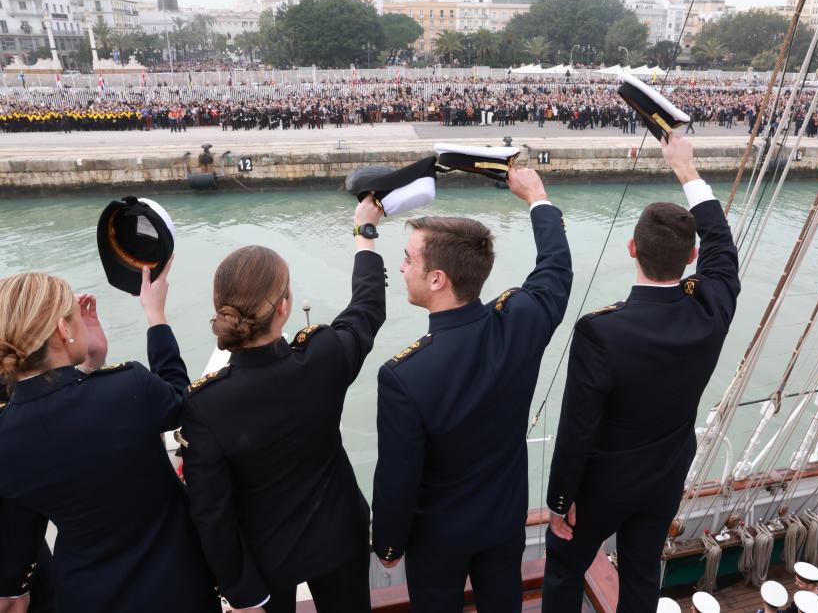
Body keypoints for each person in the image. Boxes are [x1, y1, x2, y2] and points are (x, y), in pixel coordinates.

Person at [542, 134, 740, 613]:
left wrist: (561, 496)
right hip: (666, 473)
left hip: (603, 486)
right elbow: (722, 244)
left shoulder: (600, 332)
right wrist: (687, 170)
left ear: (632, 247)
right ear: (690, 258)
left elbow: (578, 425)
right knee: (642, 570)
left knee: (566, 566)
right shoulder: (712, 308)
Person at [371, 167, 573, 612]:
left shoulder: (403, 376)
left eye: (408, 259)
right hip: (503, 521)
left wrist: (388, 545)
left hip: (439, 538)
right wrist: (537, 197)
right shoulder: (520, 321)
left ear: (438, 278)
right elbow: (556, 269)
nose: (401, 267)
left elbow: (396, 479)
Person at [181, 196, 386, 613]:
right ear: (285, 308)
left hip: (264, 555)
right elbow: (366, 309)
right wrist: (364, 235)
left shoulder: (205, 403)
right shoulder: (323, 357)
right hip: (338, 536)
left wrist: (242, 592)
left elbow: (212, 513)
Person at [0, 268, 219, 613]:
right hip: (176, 587)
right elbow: (184, 402)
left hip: (85, 597)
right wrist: (156, 316)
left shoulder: (6, 434)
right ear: (62, 329)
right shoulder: (128, 387)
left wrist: (89, 367)